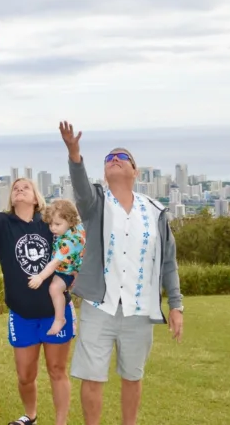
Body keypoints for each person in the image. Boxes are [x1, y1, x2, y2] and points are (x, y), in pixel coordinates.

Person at [58, 121, 184, 425]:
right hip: (100, 306)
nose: (114, 159)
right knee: (92, 376)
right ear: (104, 173)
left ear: (135, 172)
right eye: (109, 159)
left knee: (132, 376)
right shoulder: (95, 204)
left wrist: (176, 305)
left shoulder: (155, 211)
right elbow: (80, 188)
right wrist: (75, 153)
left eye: (122, 157)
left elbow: (168, 261)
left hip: (139, 309)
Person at [0, 171, 74, 425]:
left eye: (26, 187)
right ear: (11, 199)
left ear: (37, 198)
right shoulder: (3, 226)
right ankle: (31, 416)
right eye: (16, 188)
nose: (20, 190)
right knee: (25, 375)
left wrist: (69, 279)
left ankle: (61, 422)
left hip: (54, 311)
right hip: (22, 313)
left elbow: (71, 252)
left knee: (57, 371)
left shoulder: (50, 224)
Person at [29, 199, 85, 337]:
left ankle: (60, 319)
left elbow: (54, 263)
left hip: (67, 271)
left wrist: (40, 277)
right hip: (74, 268)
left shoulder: (68, 242)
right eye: (51, 224)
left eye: (57, 224)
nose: (53, 228)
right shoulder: (77, 228)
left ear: (71, 221)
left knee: (54, 288)